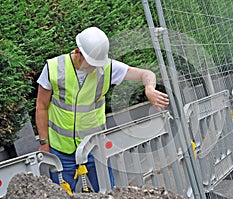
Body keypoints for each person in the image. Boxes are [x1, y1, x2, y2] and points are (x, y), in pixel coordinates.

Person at [35, 27, 169, 193]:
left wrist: (149, 88)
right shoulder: (54, 68)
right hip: (61, 150)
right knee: (61, 194)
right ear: (78, 52)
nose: (94, 68)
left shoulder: (107, 67)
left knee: (107, 193)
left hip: (95, 148)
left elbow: (145, 73)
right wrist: (44, 143)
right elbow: (41, 106)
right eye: (91, 63)